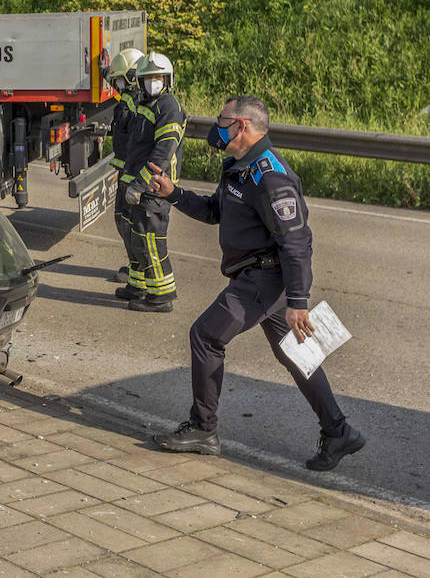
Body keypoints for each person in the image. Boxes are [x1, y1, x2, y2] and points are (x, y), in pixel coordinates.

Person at [146, 95, 366, 470]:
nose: (216, 127)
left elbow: (296, 240)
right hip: (257, 276)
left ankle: (203, 429)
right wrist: (174, 194)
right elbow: (215, 210)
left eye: (222, 120)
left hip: (264, 278)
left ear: (242, 125)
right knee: (295, 353)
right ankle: (339, 431)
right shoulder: (239, 165)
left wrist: (298, 299)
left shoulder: (270, 176)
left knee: (205, 335)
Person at [118, 51, 185, 312]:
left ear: (167, 80)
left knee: (151, 242)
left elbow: (162, 153)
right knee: (137, 239)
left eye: (157, 78)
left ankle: (161, 297)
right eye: (147, 79)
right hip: (139, 185)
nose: (151, 83)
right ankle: (138, 286)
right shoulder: (148, 104)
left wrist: (139, 185)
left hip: (154, 189)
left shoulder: (169, 108)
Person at [106, 47, 144, 285]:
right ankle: (136, 266)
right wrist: (105, 71)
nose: (117, 84)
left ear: (131, 77)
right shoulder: (130, 98)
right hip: (127, 172)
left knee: (128, 222)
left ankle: (138, 269)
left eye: (120, 78)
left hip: (132, 174)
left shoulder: (137, 103)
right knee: (125, 221)